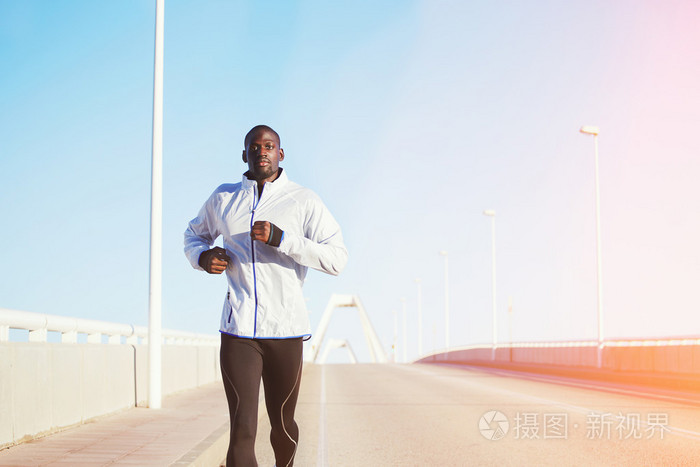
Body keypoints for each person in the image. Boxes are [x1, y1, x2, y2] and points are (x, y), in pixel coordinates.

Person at [184, 125, 348, 467]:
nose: (262, 151)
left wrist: (283, 239)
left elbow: (337, 259)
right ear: (244, 155)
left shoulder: (303, 200)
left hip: (286, 330)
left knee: (283, 427)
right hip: (239, 330)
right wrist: (202, 256)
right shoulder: (224, 199)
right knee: (242, 429)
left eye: (269, 146)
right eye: (255, 147)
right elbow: (193, 234)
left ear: (281, 154)